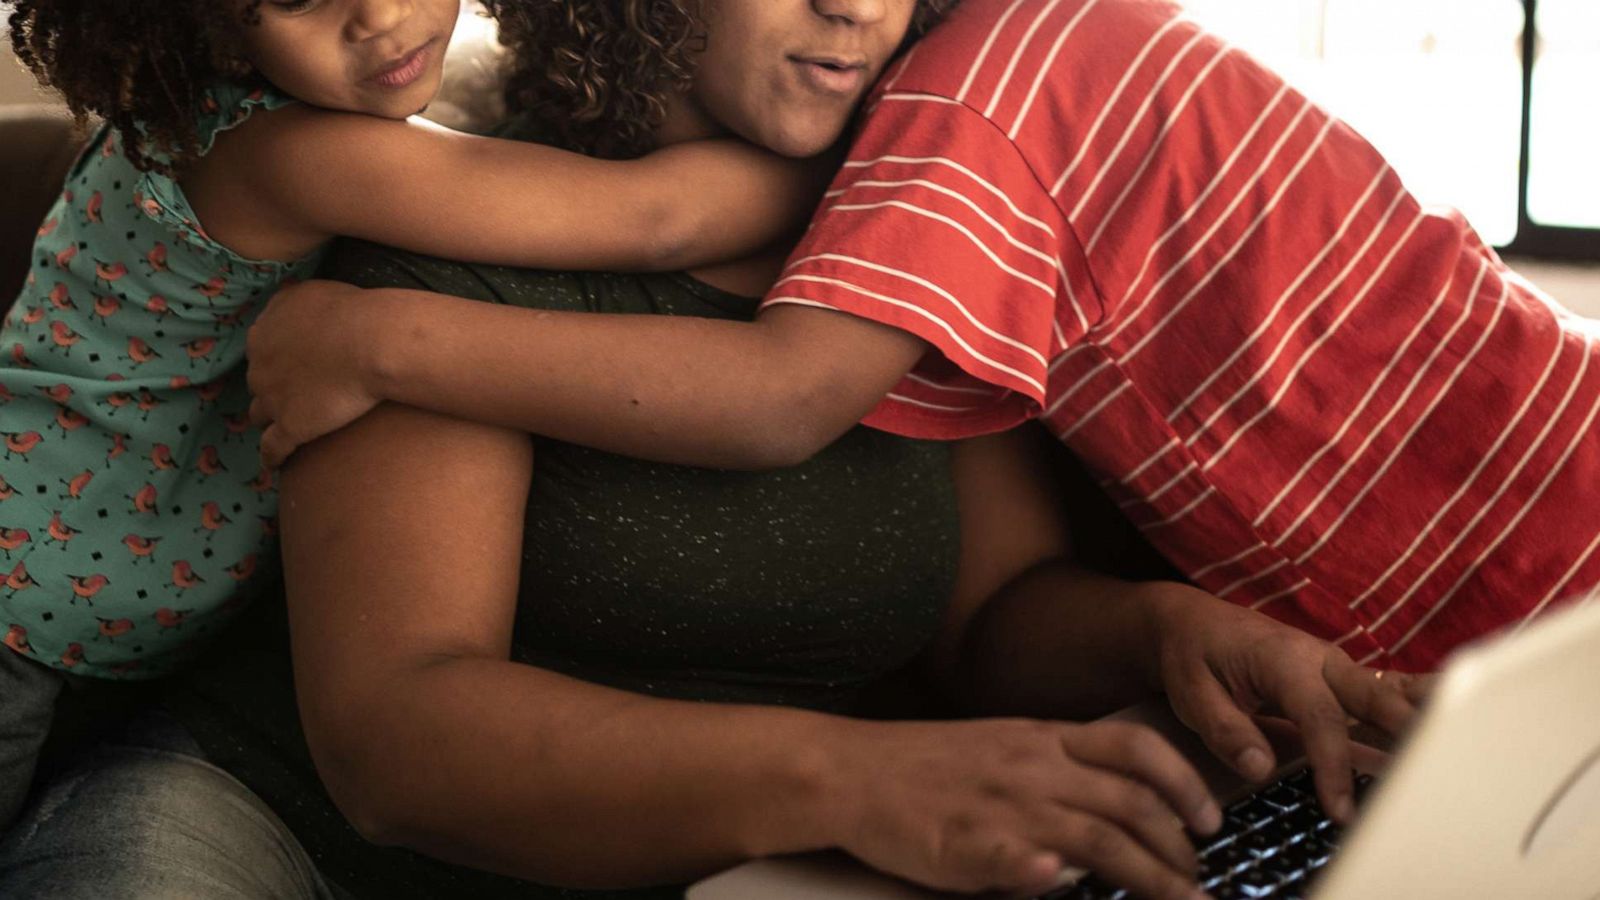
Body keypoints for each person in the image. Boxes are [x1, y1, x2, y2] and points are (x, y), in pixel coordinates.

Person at [0, 1, 1424, 899]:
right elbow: (397, 743)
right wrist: (857, 782)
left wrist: (1167, 633)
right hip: (284, 838)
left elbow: (991, 614)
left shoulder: (921, 238)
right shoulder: (434, 237)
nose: (853, 8)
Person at [250, 0, 1600, 682]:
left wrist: (382, 346)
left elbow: (782, 400)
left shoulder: (962, 124)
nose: (857, 4)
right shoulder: (1031, 77)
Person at [0, 0, 823, 831]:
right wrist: (868, 156)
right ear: (203, 24)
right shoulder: (283, 153)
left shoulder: (257, 121)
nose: (382, 16)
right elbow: (656, 220)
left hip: (84, 637)